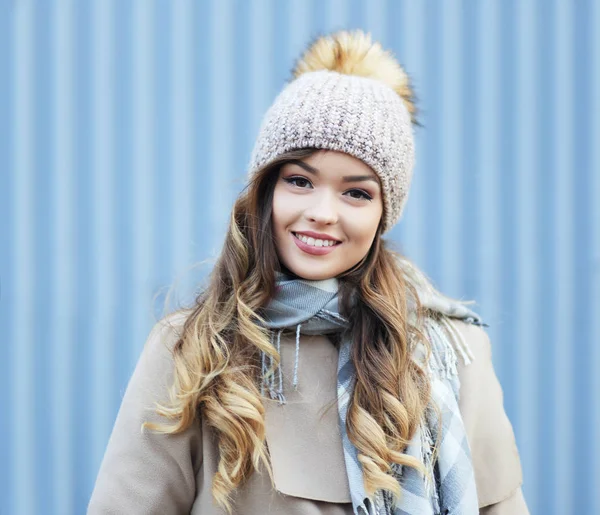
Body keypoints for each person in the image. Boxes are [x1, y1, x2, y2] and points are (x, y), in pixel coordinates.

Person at [88, 30, 529, 515]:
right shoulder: (193, 351)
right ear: (266, 192)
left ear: (384, 215)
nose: (322, 212)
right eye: (299, 181)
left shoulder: (451, 355)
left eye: (356, 192)